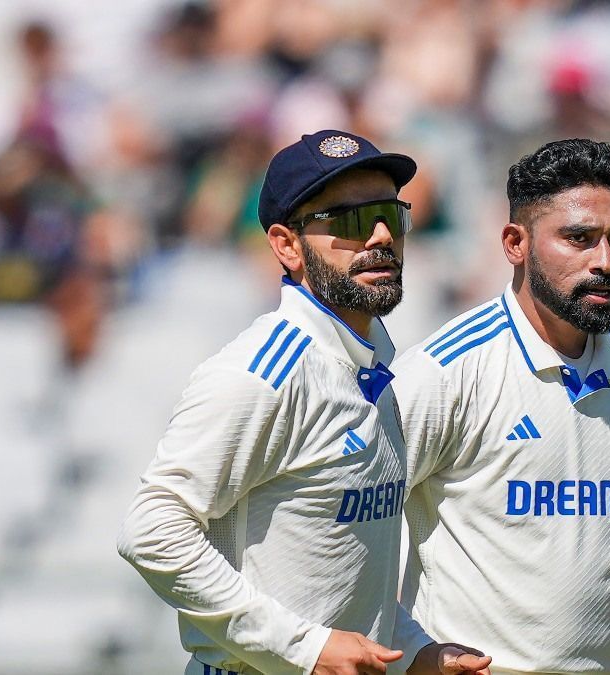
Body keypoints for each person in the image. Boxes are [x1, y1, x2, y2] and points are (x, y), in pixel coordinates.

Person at [117, 129, 491, 675]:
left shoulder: (369, 369)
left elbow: (337, 574)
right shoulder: (263, 373)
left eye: (392, 214)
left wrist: (414, 654)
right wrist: (305, 647)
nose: (382, 235)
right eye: (349, 221)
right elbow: (151, 530)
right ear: (286, 245)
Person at [393, 139, 610, 675]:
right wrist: (414, 655)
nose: (605, 261)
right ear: (514, 243)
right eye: (578, 238)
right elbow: (344, 538)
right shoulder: (445, 372)